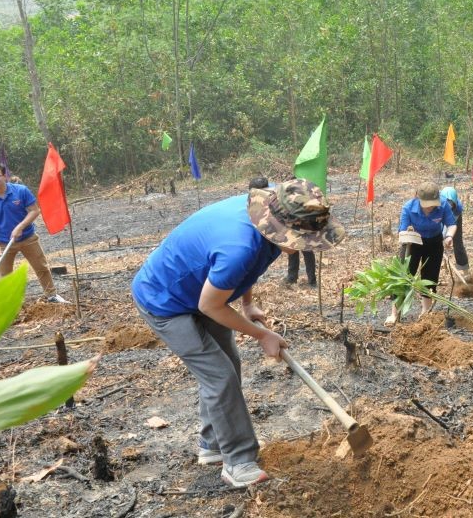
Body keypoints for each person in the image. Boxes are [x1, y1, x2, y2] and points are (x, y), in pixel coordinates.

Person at [131, 179, 345, 488]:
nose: (307, 246)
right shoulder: (238, 246)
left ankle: (212, 445)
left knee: (228, 365)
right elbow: (211, 303)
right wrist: (262, 336)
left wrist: (248, 304)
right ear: (281, 229)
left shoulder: (275, 207)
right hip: (164, 301)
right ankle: (238, 462)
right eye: (305, 239)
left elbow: (246, 269)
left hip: (200, 292)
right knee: (219, 375)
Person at [387, 182, 458, 325]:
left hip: (434, 243)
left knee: (430, 278)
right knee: (404, 277)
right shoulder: (408, 208)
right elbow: (401, 231)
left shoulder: (443, 205)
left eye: (433, 203)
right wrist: (408, 233)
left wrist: (449, 237)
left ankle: (425, 313)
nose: (431, 206)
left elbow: (451, 224)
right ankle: (394, 313)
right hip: (412, 243)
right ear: (418, 198)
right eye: (428, 203)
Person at [0, 165, 66, 303]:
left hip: (28, 237)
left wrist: (20, 226)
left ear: (4, 176)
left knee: (41, 267)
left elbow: (34, 211)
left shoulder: (20, 191)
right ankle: (8, 304)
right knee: (3, 276)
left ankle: (52, 295)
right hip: (4, 242)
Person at [250, 177, 318, 287]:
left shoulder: (304, 196)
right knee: (292, 250)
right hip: (291, 226)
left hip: (303, 226)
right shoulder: (281, 196)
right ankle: (292, 277)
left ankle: (312, 281)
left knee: (307, 251)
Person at [440, 186, 470, 274]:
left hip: (454, 221)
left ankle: (465, 271)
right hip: (439, 218)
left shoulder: (457, 208)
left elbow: (451, 225)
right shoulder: (436, 206)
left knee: (458, 243)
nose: (449, 207)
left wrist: (448, 237)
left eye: (451, 204)